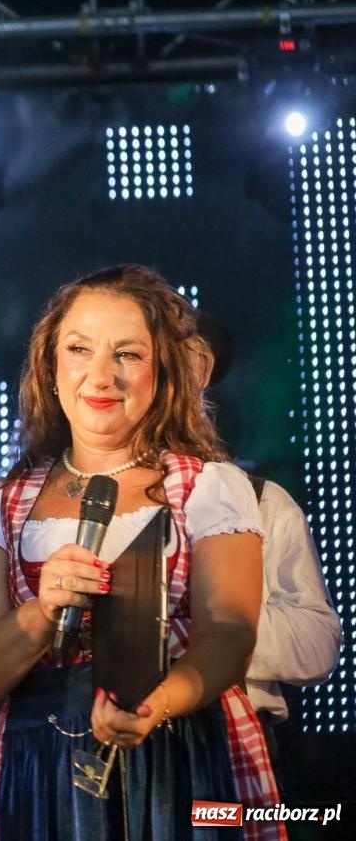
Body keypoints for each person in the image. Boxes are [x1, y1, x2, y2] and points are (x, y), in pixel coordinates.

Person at [0, 265, 282, 841]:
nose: (101, 375)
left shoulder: (207, 488)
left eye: (127, 354)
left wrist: (156, 705)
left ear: (161, 374)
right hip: (38, 766)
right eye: (78, 349)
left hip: (184, 751)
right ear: (51, 368)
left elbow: (229, 635)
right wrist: (41, 609)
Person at [189, 313, 340, 758]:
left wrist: (196, 621)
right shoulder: (65, 501)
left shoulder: (259, 501)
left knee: (224, 825)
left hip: (233, 746)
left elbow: (316, 644)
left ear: (202, 372)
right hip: (96, 744)